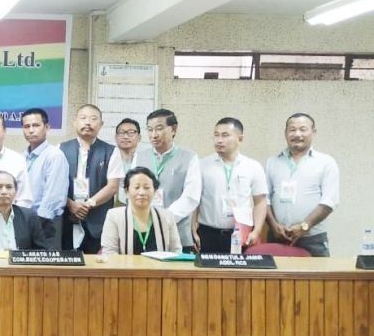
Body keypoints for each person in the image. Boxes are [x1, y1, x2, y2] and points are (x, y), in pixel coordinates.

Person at [264, 113, 340, 256]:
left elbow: (329, 201)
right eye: (292, 129)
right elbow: (264, 199)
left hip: (312, 239)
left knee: (317, 279)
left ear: (313, 132)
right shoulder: (272, 163)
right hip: (278, 236)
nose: (297, 134)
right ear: (285, 133)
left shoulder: (326, 163)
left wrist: (305, 226)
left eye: (303, 129)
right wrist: (273, 225)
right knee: (274, 279)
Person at [192, 117, 268, 254]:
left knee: (237, 275)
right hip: (207, 233)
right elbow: (194, 200)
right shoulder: (201, 165)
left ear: (240, 138)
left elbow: (260, 202)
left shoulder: (253, 166)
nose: (219, 140)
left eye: (225, 135)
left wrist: (256, 231)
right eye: (216, 135)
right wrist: (192, 228)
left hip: (241, 233)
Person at [134, 109, 202, 252]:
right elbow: (131, 191)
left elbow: (191, 197)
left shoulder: (189, 158)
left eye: (159, 129)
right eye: (150, 130)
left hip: (178, 232)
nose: (154, 135)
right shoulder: (139, 157)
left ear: (173, 129)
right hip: (144, 231)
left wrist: (164, 218)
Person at [60, 104, 122, 253]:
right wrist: (70, 204)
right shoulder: (60, 149)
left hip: (97, 223)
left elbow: (112, 186)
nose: (88, 122)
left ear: (101, 124)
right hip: (66, 220)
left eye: (93, 119)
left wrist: (88, 204)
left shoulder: (111, 151)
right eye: (83, 118)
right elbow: (54, 185)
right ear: (75, 122)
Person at [101, 167, 182, 255]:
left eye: (146, 187)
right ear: (127, 191)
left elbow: (176, 251)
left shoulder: (167, 216)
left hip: (159, 268)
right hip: (125, 268)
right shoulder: (114, 216)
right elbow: (109, 252)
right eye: (136, 187)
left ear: (154, 191)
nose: (142, 192)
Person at [21, 108, 69, 250]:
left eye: (36, 125)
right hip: (25, 222)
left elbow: (54, 195)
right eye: (26, 126)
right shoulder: (21, 157)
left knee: (46, 268)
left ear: (47, 127)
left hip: (47, 223)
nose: (31, 130)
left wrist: (36, 223)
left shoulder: (54, 155)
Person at [112, 118, 141, 204]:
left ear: (139, 137)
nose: (125, 136)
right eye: (121, 132)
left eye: (131, 132)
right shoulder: (109, 161)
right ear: (116, 137)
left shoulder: (145, 160)